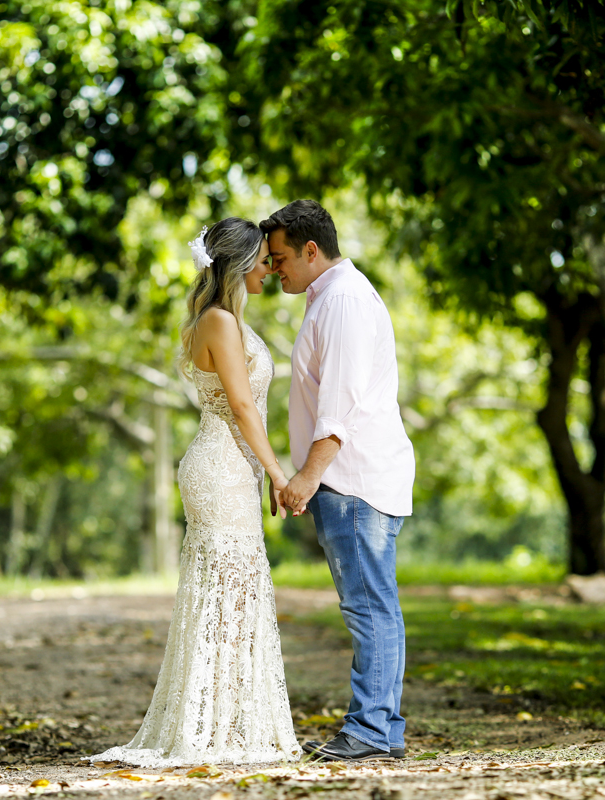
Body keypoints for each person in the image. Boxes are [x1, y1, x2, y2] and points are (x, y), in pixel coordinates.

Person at [84, 217, 302, 767]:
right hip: (221, 466)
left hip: (231, 465)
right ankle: (212, 727)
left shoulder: (223, 320)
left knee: (235, 595)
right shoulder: (220, 323)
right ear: (240, 263)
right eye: (262, 260)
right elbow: (244, 407)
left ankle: (226, 721)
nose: (269, 269)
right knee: (226, 594)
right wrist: (278, 473)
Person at [263, 200, 415, 762]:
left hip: (354, 481)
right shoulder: (330, 297)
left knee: (369, 607)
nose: (274, 268)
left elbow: (340, 406)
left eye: (279, 258)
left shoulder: (345, 301)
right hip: (355, 479)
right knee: (376, 604)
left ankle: (371, 731)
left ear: (310, 250)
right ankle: (383, 729)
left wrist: (307, 476)